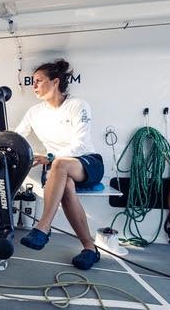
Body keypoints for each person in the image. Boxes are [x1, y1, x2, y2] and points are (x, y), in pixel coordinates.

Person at [15, 59, 104, 270]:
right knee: (66, 187)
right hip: (57, 167)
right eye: (33, 82)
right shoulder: (34, 112)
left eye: (38, 81)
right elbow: (16, 137)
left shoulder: (78, 105)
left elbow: (80, 144)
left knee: (61, 164)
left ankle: (43, 227)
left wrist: (52, 157)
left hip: (86, 162)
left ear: (55, 82)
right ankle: (90, 249)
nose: (33, 86)